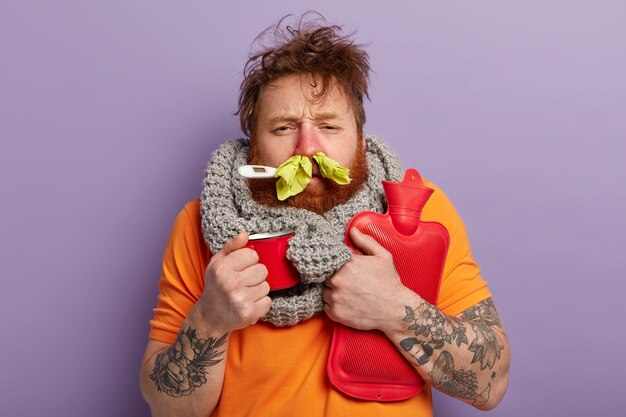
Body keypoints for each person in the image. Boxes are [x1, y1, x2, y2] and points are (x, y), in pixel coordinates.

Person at [140, 14, 510, 417]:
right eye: (283, 128)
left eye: (329, 126)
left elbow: (490, 385)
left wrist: (394, 308)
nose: (308, 149)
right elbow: (169, 409)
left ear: (360, 142)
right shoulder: (202, 225)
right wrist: (211, 319)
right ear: (253, 148)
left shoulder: (421, 211)